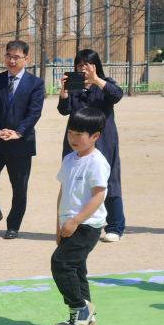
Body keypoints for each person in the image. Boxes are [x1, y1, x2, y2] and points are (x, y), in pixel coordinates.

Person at [51, 108, 109, 325]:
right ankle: (87, 319)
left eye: (79, 134)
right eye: (71, 132)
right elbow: (63, 192)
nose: (73, 138)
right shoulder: (68, 158)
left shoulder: (97, 162)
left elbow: (98, 196)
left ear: (95, 136)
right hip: (69, 225)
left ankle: (79, 308)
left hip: (86, 226)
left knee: (61, 264)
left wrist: (75, 221)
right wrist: (58, 226)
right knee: (77, 269)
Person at [0, 40, 44, 239]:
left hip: (21, 143)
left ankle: (13, 225)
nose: (12, 60)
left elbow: (34, 113)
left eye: (17, 57)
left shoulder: (36, 84)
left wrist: (19, 132)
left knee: (19, 186)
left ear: (26, 59)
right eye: (8, 56)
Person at [58, 49, 124, 243]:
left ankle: (115, 227)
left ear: (95, 66)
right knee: (74, 181)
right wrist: (63, 90)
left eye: (87, 64)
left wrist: (96, 80)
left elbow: (116, 95)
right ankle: (78, 223)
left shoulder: (105, 83)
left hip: (102, 139)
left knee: (108, 181)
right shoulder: (74, 86)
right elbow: (64, 110)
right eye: (79, 65)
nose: (83, 68)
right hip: (77, 141)